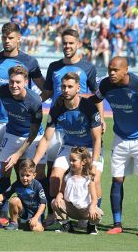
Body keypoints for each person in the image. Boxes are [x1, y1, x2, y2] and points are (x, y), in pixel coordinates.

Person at [92, 56, 138, 238]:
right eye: (110, 69)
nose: (112, 73)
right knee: (117, 180)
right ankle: (117, 224)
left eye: (116, 70)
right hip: (120, 139)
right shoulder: (106, 85)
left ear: (126, 70)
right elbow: (95, 99)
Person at [39, 28, 102, 225]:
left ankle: (89, 213)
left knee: (88, 176)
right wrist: (33, 106)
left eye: (71, 43)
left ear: (78, 44)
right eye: (64, 43)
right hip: (60, 123)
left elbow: (97, 94)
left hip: (83, 123)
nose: (67, 46)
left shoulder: (88, 68)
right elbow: (48, 92)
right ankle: (55, 212)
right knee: (54, 175)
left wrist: (102, 119)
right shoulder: (53, 66)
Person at [0, 65, 44, 220]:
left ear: (26, 82)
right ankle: (1, 209)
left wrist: (17, 155)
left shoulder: (34, 101)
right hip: (12, 133)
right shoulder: (5, 90)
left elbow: (33, 133)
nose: (14, 85)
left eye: (18, 82)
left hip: (33, 137)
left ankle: (44, 214)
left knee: (39, 173)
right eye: (11, 81)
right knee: (1, 169)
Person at [0, 22, 44, 149]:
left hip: (20, 124)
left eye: (10, 38)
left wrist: (32, 107)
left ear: (18, 38)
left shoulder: (30, 61)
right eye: (4, 37)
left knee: (20, 164)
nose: (7, 41)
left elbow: (45, 89)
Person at [52, 147, 104, 234]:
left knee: (98, 213)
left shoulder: (89, 178)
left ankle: (91, 226)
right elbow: (61, 191)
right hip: (70, 208)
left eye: (74, 160)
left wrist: (91, 207)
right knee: (54, 202)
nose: (71, 163)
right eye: (70, 160)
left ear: (83, 162)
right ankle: (66, 225)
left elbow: (94, 198)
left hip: (85, 210)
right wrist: (59, 197)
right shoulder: (67, 175)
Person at [0, 159, 46, 232]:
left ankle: (33, 223)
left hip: (36, 214)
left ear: (34, 175)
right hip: (24, 211)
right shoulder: (17, 184)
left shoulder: (37, 185)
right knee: (14, 200)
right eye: (22, 175)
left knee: (36, 229)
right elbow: (4, 195)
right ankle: (14, 223)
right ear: (19, 173)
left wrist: (35, 218)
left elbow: (43, 204)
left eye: (28, 175)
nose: (24, 178)